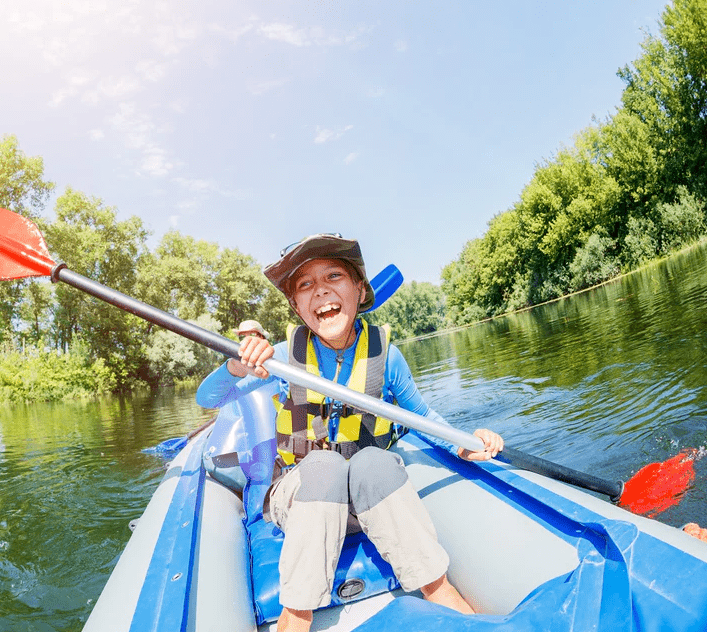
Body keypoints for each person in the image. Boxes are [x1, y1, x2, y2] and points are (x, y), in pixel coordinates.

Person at [196, 234, 504, 632]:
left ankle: (441, 593)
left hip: (365, 500)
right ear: (296, 307)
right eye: (305, 285)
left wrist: (466, 445)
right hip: (302, 495)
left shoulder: (386, 355)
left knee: (375, 461)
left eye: (334, 276)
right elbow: (209, 398)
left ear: (360, 290)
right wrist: (237, 367)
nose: (321, 290)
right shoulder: (283, 356)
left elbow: (422, 416)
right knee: (324, 464)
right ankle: (296, 617)